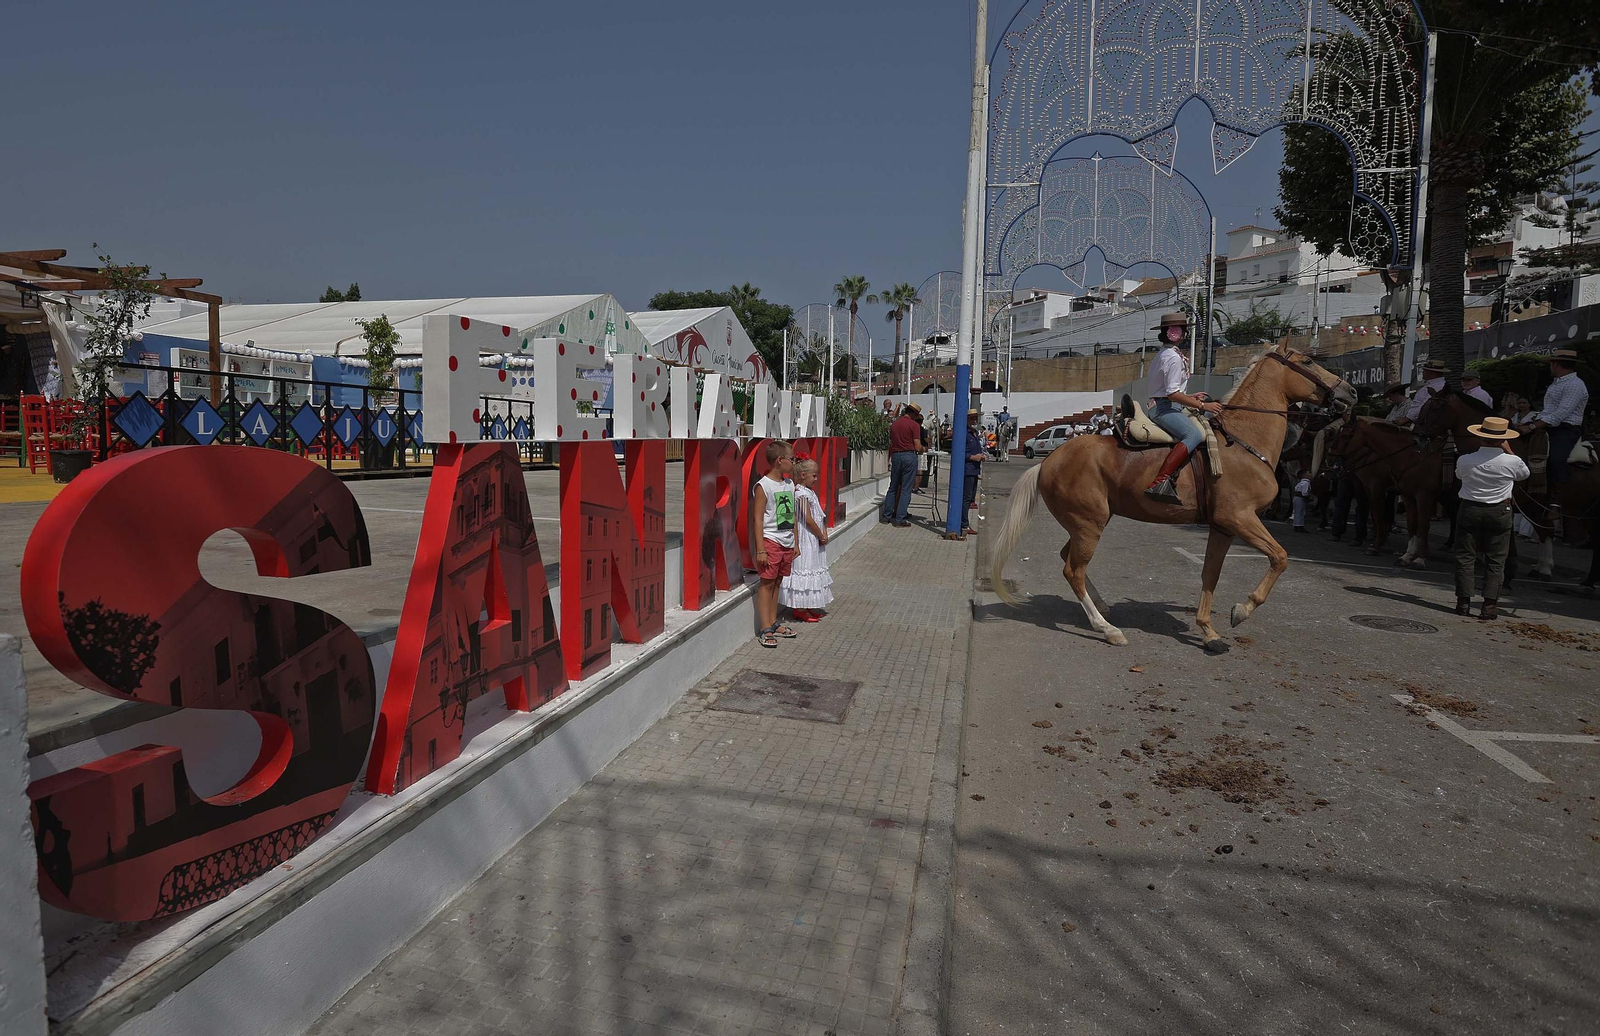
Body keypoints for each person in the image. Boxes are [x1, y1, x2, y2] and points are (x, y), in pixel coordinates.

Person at [1454, 416, 1531, 620]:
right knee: (1496, 559)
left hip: (1470, 508)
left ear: (1480, 438)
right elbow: (1524, 474)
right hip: (1499, 510)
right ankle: (1489, 606)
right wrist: (1510, 451)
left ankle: (1463, 602)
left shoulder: (1465, 459)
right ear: (1503, 440)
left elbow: (1459, 475)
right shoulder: (1512, 461)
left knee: (1465, 556)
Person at [1143, 312, 1222, 503]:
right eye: (1184, 330)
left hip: (1165, 404)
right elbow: (1171, 393)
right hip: (1165, 408)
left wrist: (1189, 397)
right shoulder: (1173, 357)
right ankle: (1161, 481)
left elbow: (1169, 390)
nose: (1185, 334)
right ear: (1178, 333)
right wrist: (1203, 405)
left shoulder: (1165, 354)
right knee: (1193, 435)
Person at [751, 440, 799, 648]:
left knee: (778, 581)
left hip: (786, 541)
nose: (794, 463)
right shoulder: (764, 486)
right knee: (767, 583)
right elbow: (758, 519)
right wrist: (760, 549)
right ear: (780, 461)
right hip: (770, 541)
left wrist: (795, 541)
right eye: (792, 459)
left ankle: (773, 621)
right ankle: (765, 627)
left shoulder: (789, 484)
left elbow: (791, 515)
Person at [1530, 349, 1590, 512]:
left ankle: (1556, 500)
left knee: (1557, 458)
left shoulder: (1575, 385)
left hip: (1566, 429)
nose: (1550, 367)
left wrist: (1535, 425)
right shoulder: (1558, 384)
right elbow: (1550, 409)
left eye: (1551, 364)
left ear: (1556, 364)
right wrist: (1535, 420)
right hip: (1551, 426)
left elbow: (1562, 412)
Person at [781, 457, 833, 621]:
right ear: (803, 475)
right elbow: (808, 518)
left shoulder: (809, 492)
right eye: (814, 476)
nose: (816, 479)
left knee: (813, 567)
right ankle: (800, 608)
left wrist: (823, 532)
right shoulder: (801, 494)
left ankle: (808, 605)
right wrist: (820, 534)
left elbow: (820, 515)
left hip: (814, 537)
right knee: (805, 567)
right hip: (806, 537)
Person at [881, 402, 925, 526]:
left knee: (893, 486)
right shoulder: (914, 425)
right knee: (906, 488)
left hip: (896, 455)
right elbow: (917, 446)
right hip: (909, 456)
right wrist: (923, 449)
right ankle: (900, 518)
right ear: (914, 414)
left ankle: (886, 516)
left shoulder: (895, 424)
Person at [1400, 360, 1447, 426]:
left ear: (1431, 372)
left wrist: (1407, 418)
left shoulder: (1439, 386)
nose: (1423, 372)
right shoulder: (1430, 385)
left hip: (1426, 425)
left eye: (1424, 370)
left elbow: (1426, 405)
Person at [961, 408, 984, 534]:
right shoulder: (965, 433)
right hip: (968, 469)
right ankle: (964, 523)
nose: (975, 420)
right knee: (966, 497)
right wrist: (972, 457)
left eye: (976, 418)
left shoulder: (974, 433)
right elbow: (961, 452)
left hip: (974, 469)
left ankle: (964, 522)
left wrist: (981, 455)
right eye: (973, 418)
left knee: (969, 498)